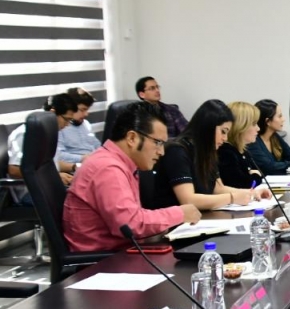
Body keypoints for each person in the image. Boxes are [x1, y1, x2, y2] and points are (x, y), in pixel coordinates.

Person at [64, 102, 201, 253]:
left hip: (120, 251)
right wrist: (180, 213)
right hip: (105, 260)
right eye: (158, 143)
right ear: (132, 138)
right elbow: (130, 224)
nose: (161, 152)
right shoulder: (108, 169)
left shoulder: (118, 162)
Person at [147, 99, 270, 210]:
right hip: (176, 224)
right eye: (223, 132)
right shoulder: (177, 151)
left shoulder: (206, 152)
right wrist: (232, 198)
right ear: (208, 127)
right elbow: (188, 200)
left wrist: (250, 193)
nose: (225, 138)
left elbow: (218, 188)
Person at [7, 93, 79, 203]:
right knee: (79, 202)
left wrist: (75, 167)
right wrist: (54, 177)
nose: (68, 125)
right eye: (66, 119)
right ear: (53, 113)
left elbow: (51, 164)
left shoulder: (48, 132)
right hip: (30, 192)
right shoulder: (25, 134)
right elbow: (13, 170)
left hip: (48, 186)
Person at [248, 99, 290, 175]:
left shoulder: (274, 136)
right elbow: (269, 167)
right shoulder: (253, 141)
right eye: (279, 116)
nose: (283, 119)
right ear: (268, 121)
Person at [217, 102, 264, 189]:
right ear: (241, 126)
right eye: (254, 124)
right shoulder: (226, 153)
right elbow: (244, 184)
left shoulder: (242, 150)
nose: (258, 128)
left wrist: (254, 175)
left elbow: (258, 173)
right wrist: (255, 175)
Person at [57, 88, 101, 165]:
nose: (86, 114)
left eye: (87, 110)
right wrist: (82, 158)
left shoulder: (85, 124)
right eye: (82, 110)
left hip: (95, 163)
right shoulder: (60, 127)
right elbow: (59, 155)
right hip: (78, 166)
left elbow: (97, 145)